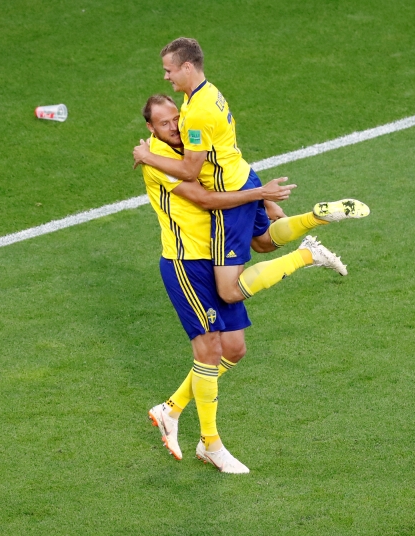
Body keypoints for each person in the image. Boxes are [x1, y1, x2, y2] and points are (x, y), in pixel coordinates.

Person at [137, 94, 350, 473]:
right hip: (188, 263)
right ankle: (210, 444)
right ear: (151, 129)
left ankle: (169, 409)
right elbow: (204, 199)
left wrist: (260, 200)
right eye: (165, 123)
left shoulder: (192, 145)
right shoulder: (159, 162)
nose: (174, 127)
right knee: (208, 350)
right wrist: (261, 194)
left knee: (233, 349)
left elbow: (228, 166)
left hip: (216, 251)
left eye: (176, 118)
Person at [132, 37, 369, 308]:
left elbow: (190, 170)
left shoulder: (197, 112)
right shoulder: (207, 92)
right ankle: (316, 217)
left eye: (169, 70)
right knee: (264, 242)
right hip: (243, 173)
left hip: (230, 192)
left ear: (187, 67)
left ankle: (307, 254)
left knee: (230, 291)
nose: (165, 76)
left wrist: (149, 157)